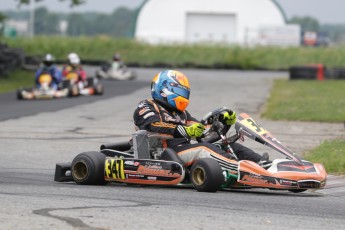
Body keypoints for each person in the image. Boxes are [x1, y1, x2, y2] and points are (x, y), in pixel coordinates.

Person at [133, 70, 269, 169]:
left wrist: (221, 122)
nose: (182, 96)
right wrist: (185, 131)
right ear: (163, 90)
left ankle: (262, 164)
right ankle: (241, 168)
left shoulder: (182, 113)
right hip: (165, 153)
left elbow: (201, 130)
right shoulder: (147, 106)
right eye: (179, 92)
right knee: (204, 148)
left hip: (183, 150)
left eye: (184, 93)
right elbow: (153, 126)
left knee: (228, 145)